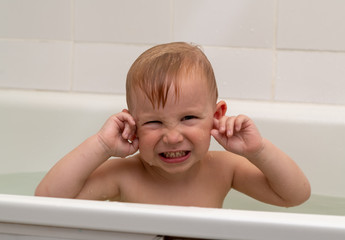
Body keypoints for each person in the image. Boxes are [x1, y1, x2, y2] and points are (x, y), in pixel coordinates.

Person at [35, 42, 310, 208]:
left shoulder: (225, 169)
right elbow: (48, 201)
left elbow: (294, 195)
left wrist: (257, 150)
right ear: (132, 124)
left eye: (188, 118)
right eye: (154, 122)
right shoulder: (125, 176)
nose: (172, 136)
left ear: (217, 115)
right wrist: (102, 145)